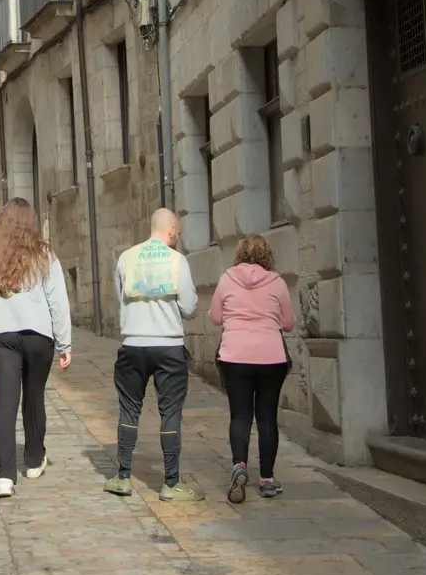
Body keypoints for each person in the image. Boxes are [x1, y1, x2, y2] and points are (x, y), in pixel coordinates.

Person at [0, 198, 71, 498]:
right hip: (38, 333)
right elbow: (58, 301)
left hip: (1, 335)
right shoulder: (45, 255)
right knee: (34, 395)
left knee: (6, 403)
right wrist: (65, 342)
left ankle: (4, 476)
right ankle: (34, 459)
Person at [106, 207, 204, 503]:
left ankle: (123, 476)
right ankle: (171, 482)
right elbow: (188, 307)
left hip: (134, 344)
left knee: (129, 409)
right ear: (171, 231)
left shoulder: (126, 258)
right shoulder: (178, 261)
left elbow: (119, 297)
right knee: (170, 412)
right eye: (179, 233)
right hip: (168, 345)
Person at [209, 234, 296, 502]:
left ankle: (240, 466)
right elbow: (289, 322)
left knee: (240, 416)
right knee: (267, 417)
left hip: (234, 356)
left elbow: (215, 318)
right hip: (271, 357)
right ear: (267, 256)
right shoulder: (277, 282)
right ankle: (267, 480)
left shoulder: (226, 279)